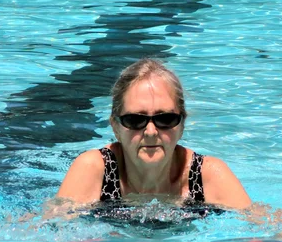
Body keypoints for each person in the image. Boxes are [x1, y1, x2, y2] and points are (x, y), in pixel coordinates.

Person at [56, 58, 252, 211]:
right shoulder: (95, 170)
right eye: (135, 120)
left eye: (165, 119)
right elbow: (51, 234)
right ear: (115, 126)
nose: (150, 132)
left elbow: (267, 233)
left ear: (182, 124)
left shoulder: (206, 175)